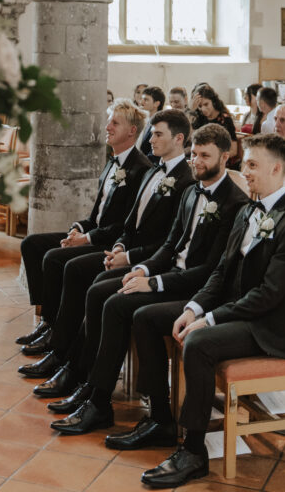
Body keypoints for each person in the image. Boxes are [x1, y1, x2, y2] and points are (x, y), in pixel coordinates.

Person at [131, 134, 285, 487]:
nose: (244, 171)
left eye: (253, 165)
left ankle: (194, 451)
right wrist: (192, 308)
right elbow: (221, 271)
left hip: (268, 326)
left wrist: (209, 320)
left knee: (200, 343)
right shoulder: (248, 210)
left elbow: (268, 295)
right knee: (147, 317)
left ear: (277, 169)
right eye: (245, 163)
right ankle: (160, 419)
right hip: (239, 312)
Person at [48, 124, 249, 436]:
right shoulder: (191, 191)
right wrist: (142, 270)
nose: (196, 161)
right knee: (100, 291)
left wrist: (154, 284)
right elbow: (170, 246)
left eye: (205, 155)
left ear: (225, 157)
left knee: (119, 306)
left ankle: (104, 403)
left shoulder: (235, 203)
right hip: (171, 274)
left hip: (196, 288)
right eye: (194, 154)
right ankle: (89, 385)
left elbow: (212, 271)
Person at [27, 110, 194, 396]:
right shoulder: (155, 171)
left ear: (179, 139)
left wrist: (129, 258)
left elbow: (169, 242)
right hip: (129, 251)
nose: (150, 139)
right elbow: (129, 223)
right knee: (64, 264)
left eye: (157, 134)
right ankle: (66, 356)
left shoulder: (185, 183)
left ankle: (77, 368)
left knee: (83, 276)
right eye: (151, 133)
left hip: (151, 262)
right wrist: (118, 246)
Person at [16, 99, 152, 356]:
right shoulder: (112, 162)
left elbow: (124, 225)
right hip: (95, 233)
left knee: (56, 259)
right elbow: (96, 214)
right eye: (108, 121)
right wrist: (78, 230)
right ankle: (48, 319)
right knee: (31, 244)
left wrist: (87, 239)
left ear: (132, 131)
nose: (107, 127)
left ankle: (58, 331)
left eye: (115, 122)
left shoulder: (140, 169)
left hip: (111, 244)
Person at [191, 84, 237, 154]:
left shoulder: (225, 119)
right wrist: (191, 111)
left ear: (213, 102)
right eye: (200, 106)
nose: (203, 109)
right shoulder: (199, 117)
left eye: (206, 104)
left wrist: (215, 157)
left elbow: (233, 151)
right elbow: (192, 140)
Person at [138, 86, 166, 159]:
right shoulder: (146, 120)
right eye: (142, 99)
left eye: (146, 100)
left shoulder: (160, 124)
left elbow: (155, 153)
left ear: (156, 104)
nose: (141, 102)